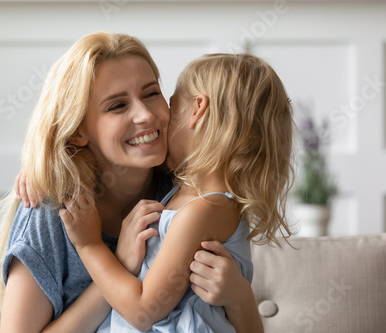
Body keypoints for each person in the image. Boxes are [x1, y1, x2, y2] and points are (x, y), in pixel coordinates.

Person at [0, 32, 264, 333]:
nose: (146, 115)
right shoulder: (53, 211)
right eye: (117, 106)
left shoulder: (186, 191)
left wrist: (241, 298)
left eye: (151, 94)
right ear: (78, 131)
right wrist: (118, 262)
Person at [59, 53, 294, 332]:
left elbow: (143, 311)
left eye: (173, 107)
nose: (157, 122)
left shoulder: (204, 210)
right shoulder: (184, 193)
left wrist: (90, 246)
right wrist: (49, 166)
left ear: (197, 110)